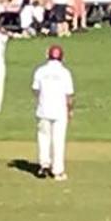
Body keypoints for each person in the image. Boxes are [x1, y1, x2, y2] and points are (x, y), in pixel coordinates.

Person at [31, 43, 75, 181]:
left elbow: (35, 90)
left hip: (43, 109)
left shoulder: (40, 71)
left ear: (47, 55)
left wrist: (41, 100)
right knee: (58, 140)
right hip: (59, 110)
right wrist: (70, 110)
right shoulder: (65, 72)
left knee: (43, 138)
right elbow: (69, 95)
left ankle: (44, 165)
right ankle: (58, 171)